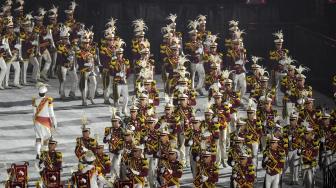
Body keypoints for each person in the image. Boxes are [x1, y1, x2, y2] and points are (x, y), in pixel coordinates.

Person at [32, 82, 57, 159]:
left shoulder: (35, 100)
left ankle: (38, 153)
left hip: (37, 121)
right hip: (45, 121)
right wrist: (54, 122)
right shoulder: (48, 100)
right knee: (46, 138)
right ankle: (44, 154)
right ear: (45, 93)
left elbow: (34, 113)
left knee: (38, 138)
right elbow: (51, 113)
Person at [56, 24, 77, 100]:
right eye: (65, 38)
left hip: (71, 65)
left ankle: (72, 92)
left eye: (67, 38)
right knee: (63, 80)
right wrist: (64, 63)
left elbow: (73, 55)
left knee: (75, 79)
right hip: (63, 66)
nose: (67, 39)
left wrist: (73, 64)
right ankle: (62, 94)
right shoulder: (59, 46)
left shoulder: (70, 45)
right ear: (61, 39)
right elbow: (59, 58)